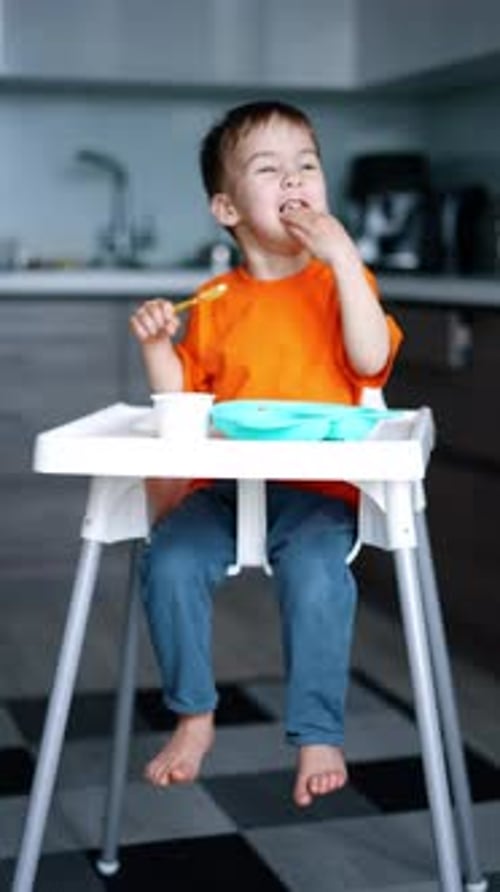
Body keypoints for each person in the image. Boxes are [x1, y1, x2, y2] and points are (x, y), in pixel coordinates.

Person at [129, 100, 403, 808]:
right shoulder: (215, 300)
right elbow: (180, 405)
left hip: (319, 493)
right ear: (227, 208)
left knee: (316, 577)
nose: (294, 180)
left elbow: (370, 360)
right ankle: (193, 714)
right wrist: (159, 347)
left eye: (306, 165)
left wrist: (346, 260)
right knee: (168, 560)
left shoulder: (340, 283)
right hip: (224, 490)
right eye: (269, 169)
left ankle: (317, 730)